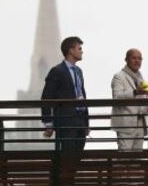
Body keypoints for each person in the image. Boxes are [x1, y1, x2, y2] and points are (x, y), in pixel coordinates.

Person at [41, 36, 89, 185]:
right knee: (67, 157)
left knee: (76, 158)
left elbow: (82, 95)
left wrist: (87, 122)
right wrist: (48, 123)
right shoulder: (57, 71)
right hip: (66, 122)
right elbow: (46, 98)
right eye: (79, 48)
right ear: (70, 50)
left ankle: (67, 182)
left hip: (80, 122)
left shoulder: (79, 71)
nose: (82, 51)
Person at [111, 48, 148, 151]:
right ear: (126, 60)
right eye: (133, 58)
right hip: (125, 124)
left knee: (137, 159)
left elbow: (140, 104)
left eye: (139, 58)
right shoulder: (119, 76)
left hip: (140, 124)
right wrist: (135, 92)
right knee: (124, 157)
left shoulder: (140, 78)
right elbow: (117, 97)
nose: (137, 61)